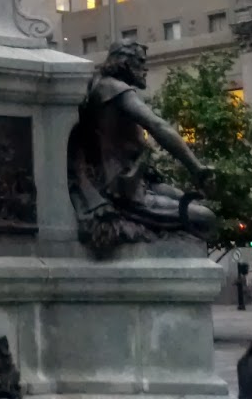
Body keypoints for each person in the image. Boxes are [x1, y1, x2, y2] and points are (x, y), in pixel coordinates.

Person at [65, 40, 217, 252]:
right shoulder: (113, 88)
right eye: (140, 62)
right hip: (123, 190)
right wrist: (196, 167)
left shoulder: (102, 86)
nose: (145, 69)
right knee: (206, 217)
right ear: (125, 63)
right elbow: (157, 125)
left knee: (189, 203)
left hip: (136, 182)